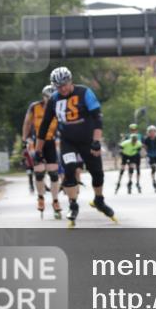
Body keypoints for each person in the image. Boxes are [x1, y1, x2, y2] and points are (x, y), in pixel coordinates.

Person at [36, 66, 116, 227]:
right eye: (59, 87)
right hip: (68, 141)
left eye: (65, 84)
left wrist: (96, 141)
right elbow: (44, 127)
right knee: (70, 168)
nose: (63, 89)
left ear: (71, 80)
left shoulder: (84, 92)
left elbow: (97, 117)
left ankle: (99, 200)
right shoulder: (53, 100)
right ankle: (73, 204)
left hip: (88, 140)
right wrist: (38, 150)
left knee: (97, 173)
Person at [22, 85, 64, 219]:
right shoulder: (34, 107)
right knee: (39, 172)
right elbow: (27, 123)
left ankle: (55, 200)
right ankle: (40, 197)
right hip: (36, 141)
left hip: (51, 141)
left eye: (52, 97)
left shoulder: (58, 108)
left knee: (53, 173)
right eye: (48, 97)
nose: (50, 100)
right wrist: (25, 139)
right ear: (43, 96)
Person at [116, 124, 143, 194]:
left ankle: (137, 183)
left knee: (137, 169)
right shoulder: (127, 136)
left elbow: (141, 145)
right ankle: (129, 182)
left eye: (134, 129)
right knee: (127, 168)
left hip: (135, 154)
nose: (133, 131)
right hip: (127, 153)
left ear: (136, 129)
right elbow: (122, 145)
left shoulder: (139, 136)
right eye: (132, 129)